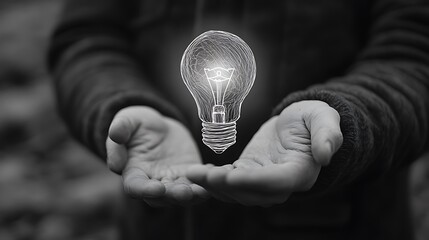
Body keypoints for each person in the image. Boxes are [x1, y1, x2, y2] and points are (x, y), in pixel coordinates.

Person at [48, 0, 429, 239]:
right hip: (159, 221)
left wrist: (345, 117)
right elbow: (89, 37)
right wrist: (120, 103)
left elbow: (414, 49)